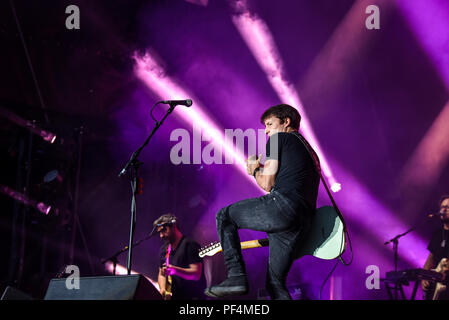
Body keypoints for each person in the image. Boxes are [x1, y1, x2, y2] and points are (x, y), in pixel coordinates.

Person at [204, 104, 320, 300]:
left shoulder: (278, 139)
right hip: (303, 220)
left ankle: (236, 277)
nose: (266, 131)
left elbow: (267, 183)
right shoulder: (310, 151)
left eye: (270, 124)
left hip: (283, 206)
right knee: (275, 284)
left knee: (224, 216)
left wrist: (254, 169)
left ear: (286, 122)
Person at [155, 214, 207, 300]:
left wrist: (175, 270)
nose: (161, 235)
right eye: (159, 232)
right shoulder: (164, 249)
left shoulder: (190, 245)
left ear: (174, 226)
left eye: (164, 230)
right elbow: (162, 274)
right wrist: (163, 289)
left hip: (193, 297)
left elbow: (196, 274)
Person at [422, 195, 449, 300]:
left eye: (447, 207)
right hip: (434, 290)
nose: (444, 209)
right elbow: (430, 259)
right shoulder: (438, 233)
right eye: (442, 207)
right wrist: (423, 278)